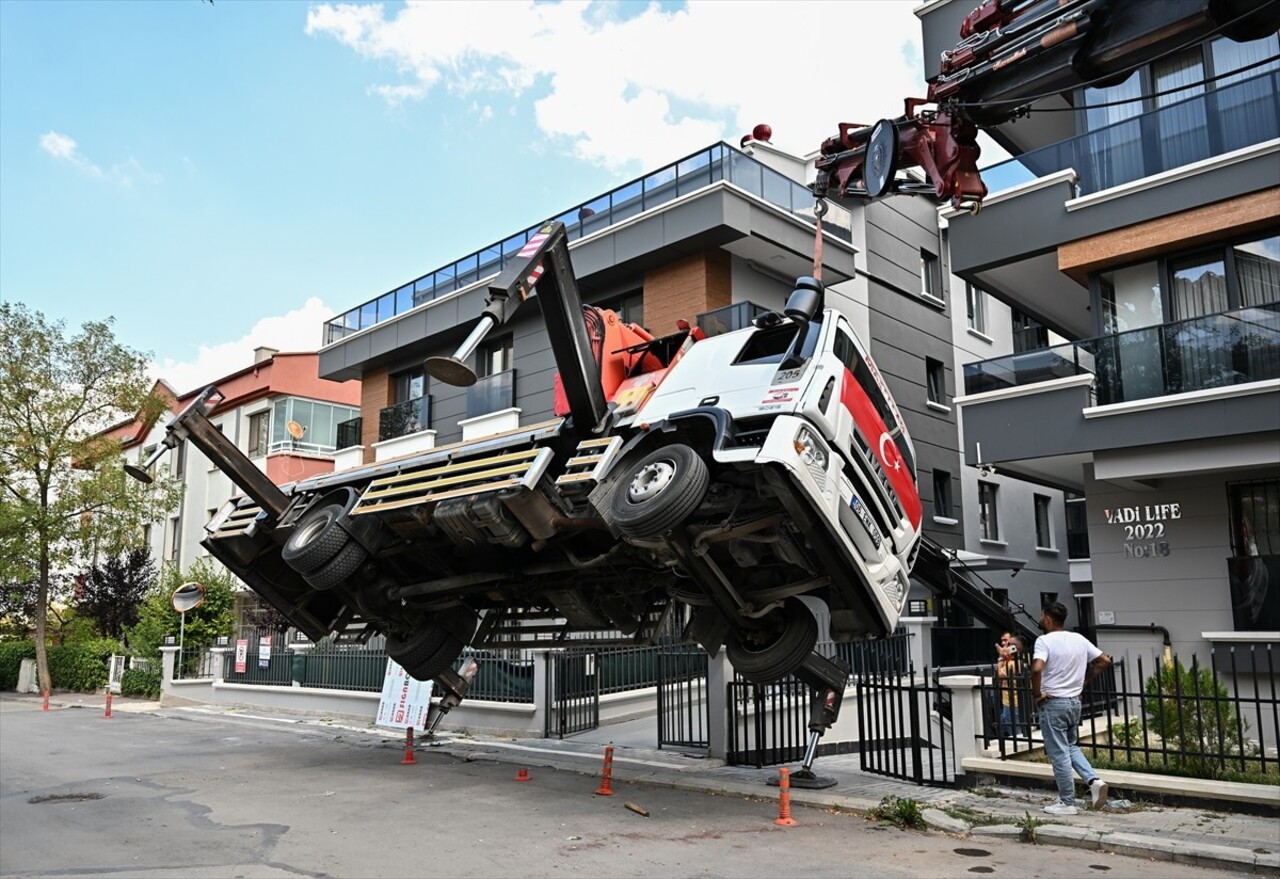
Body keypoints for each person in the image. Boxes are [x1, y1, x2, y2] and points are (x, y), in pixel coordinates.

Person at [1032, 602, 1111, 815]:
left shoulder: (1043, 641)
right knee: (1070, 746)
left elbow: (1037, 668)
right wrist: (1083, 682)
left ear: (1047, 618)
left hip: (1054, 703)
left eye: (1041, 615)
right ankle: (1093, 780)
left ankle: (1067, 803)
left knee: (1059, 753)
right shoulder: (1079, 639)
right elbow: (1104, 660)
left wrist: (1037, 694)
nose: (1040, 619)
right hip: (1074, 702)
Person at [995, 633, 1026, 737]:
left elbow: (998, 674)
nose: (1006, 646)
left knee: (1015, 731)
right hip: (1008, 701)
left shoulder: (1013, 664)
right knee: (1004, 722)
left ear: (1014, 647)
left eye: (1009, 644)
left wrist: (1001, 657)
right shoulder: (1014, 661)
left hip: (1012, 703)